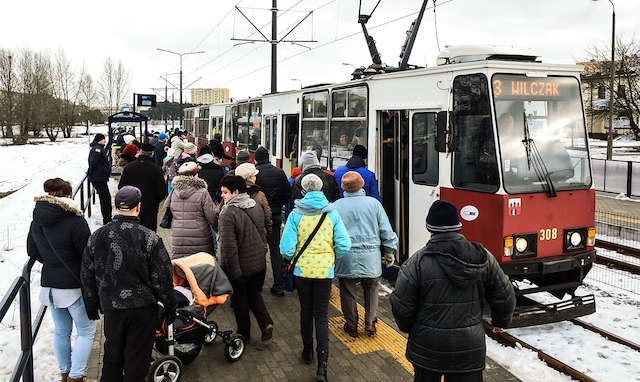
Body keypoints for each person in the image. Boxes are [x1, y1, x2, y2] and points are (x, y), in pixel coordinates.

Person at [390, 200, 516, 382]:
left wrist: (413, 329)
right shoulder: (483, 256)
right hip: (469, 348)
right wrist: (501, 320)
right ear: (458, 226)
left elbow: (401, 306)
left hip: (428, 347)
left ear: (430, 228)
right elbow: (505, 295)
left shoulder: (416, 262)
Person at [81, 186, 175, 382]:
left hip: (112, 309)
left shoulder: (97, 236)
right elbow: (163, 276)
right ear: (138, 207)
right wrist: (169, 305)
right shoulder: (149, 237)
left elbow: (87, 274)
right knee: (137, 358)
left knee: (112, 356)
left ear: (115, 207)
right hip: (142, 309)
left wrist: (91, 304)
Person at [280, 174, 351, 381]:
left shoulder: (295, 215)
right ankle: (323, 367)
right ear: (322, 189)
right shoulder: (332, 214)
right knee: (321, 315)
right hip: (324, 272)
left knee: (306, 311)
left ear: (303, 190)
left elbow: (286, 249)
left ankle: (307, 351)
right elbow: (344, 244)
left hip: (302, 272)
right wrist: (330, 258)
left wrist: (293, 257)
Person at [27, 178, 94, 382]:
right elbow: (88, 254)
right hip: (73, 285)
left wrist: (52, 261)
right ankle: (76, 376)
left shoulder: (37, 220)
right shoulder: (75, 220)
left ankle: (65, 373)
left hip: (49, 283)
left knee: (62, 331)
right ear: (68, 196)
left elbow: (32, 251)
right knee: (86, 331)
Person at [333, 172, 398, 337]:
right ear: (362, 185)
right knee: (372, 287)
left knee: (347, 290)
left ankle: (351, 324)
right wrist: (389, 251)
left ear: (343, 187)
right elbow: (385, 229)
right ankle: (370, 322)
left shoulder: (336, 206)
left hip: (345, 256)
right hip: (371, 256)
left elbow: (331, 233)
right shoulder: (374, 204)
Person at [217, 175, 274, 343]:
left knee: (240, 301)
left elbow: (228, 247)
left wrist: (233, 272)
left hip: (240, 265)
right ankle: (266, 323)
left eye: (225, 192)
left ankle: (243, 335)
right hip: (258, 261)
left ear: (235, 192)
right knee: (254, 294)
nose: (222, 196)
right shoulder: (254, 205)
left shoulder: (228, 213)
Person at [254, 147, 291, 296]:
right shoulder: (280, 172)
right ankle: (279, 285)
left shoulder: (255, 174)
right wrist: (278, 206)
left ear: (256, 159)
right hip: (275, 217)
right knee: (276, 251)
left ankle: (258, 286)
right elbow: (287, 194)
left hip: (258, 218)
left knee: (258, 251)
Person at [166, 161, 217, 258]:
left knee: (181, 267)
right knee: (201, 267)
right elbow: (212, 216)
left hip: (178, 236)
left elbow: (167, 210)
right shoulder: (202, 192)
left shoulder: (174, 192)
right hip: (200, 237)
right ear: (196, 174)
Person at [118, 143, 167, 231]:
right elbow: (162, 191)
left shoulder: (129, 167)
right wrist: (154, 201)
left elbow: (121, 187)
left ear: (140, 152)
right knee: (148, 234)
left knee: (132, 233)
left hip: (132, 206)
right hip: (150, 208)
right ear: (152, 153)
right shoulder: (156, 169)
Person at [235, 162, 273, 247]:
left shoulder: (233, 193)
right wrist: (268, 234)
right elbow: (267, 216)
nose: (255, 177)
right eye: (254, 175)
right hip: (259, 239)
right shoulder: (260, 195)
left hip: (238, 241)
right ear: (249, 178)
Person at [87, 133, 112, 225]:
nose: (105, 140)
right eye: (103, 139)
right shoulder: (97, 149)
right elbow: (93, 162)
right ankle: (107, 219)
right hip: (99, 178)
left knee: (105, 198)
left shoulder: (98, 148)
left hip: (99, 177)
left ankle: (107, 218)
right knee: (105, 199)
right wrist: (90, 172)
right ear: (99, 140)